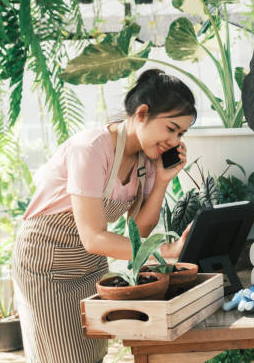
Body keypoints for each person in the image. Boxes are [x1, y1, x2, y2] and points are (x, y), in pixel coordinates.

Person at [12, 69, 197, 363]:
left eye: (181, 134)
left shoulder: (146, 159)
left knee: (92, 352)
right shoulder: (91, 148)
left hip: (89, 264)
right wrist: (166, 252)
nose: (174, 141)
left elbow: (139, 229)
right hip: (46, 262)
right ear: (142, 113)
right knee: (62, 357)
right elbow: (94, 236)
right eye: (171, 129)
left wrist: (162, 180)